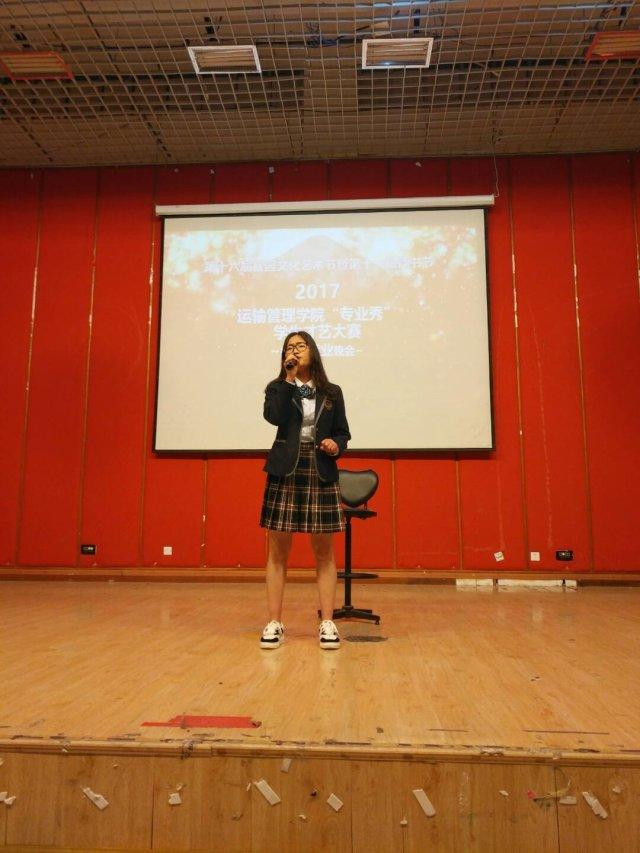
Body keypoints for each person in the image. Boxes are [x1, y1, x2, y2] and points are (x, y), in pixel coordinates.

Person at [259, 330, 351, 650]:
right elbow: (274, 417)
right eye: (290, 347)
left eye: (301, 345)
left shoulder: (332, 392)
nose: (295, 350)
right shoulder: (277, 387)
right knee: (277, 551)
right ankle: (274, 622)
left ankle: (327, 622)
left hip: (319, 468)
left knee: (324, 552)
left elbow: (343, 433)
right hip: (286, 468)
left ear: (313, 351)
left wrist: (336, 445)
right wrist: (288, 379)